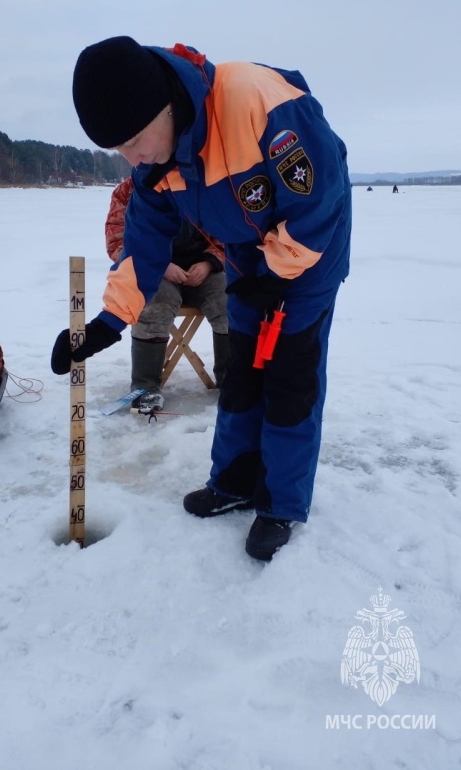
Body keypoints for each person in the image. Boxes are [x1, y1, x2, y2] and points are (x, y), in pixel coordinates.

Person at [51, 36, 352, 561]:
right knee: (242, 372)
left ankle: (280, 503)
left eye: (135, 141)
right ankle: (234, 481)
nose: (133, 158)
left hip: (309, 253)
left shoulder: (259, 103)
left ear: (165, 107)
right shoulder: (155, 166)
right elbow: (142, 246)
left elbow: (318, 199)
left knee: (289, 376)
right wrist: (105, 323)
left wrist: (280, 273)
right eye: (119, 150)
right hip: (243, 251)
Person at [105, 176, 229, 412]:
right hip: (155, 272)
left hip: (203, 272)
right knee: (154, 304)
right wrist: (158, 265)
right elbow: (117, 242)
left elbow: (225, 233)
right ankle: (145, 388)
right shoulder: (127, 191)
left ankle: (233, 382)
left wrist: (210, 262)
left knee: (230, 300)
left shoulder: (204, 186)